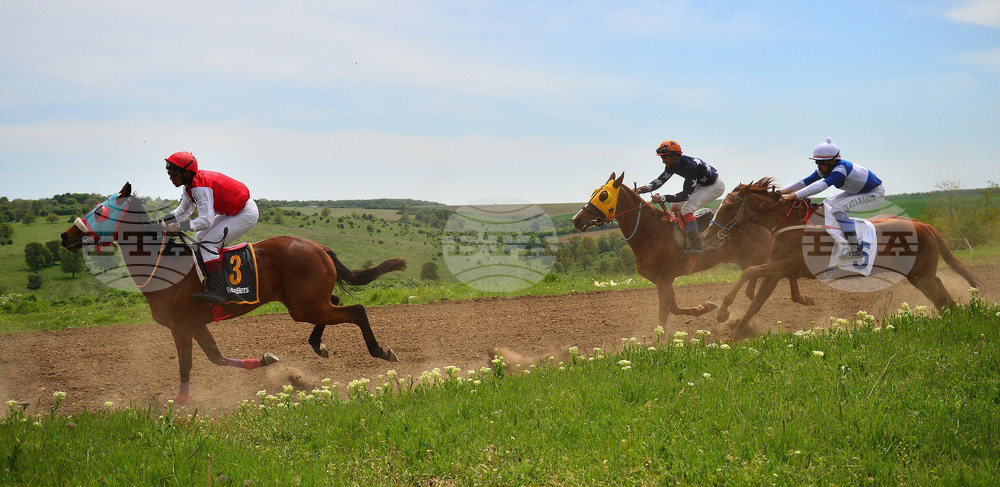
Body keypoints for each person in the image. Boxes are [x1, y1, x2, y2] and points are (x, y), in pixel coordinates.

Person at [160, 151, 259, 304]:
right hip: (233, 211)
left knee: (208, 246)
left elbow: (206, 221)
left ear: (186, 172)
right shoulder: (189, 185)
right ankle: (208, 280)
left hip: (245, 213)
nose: (170, 177)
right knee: (200, 238)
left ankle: (218, 292)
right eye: (169, 173)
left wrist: (179, 227)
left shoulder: (200, 187)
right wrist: (165, 220)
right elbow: (184, 210)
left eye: (173, 173)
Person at [778, 137, 884, 259]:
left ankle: (855, 248)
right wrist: (781, 192)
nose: (819, 165)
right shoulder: (824, 169)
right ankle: (835, 240)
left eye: (822, 162)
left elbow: (821, 187)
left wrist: (793, 196)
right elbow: (802, 182)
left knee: (838, 209)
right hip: (855, 191)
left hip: (874, 194)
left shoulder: (841, 169)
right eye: (816, 162)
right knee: (825, 206)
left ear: (832, 161)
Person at [636, 140, 725, 253]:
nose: (663, 161)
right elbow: (659, 181)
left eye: (665, 157)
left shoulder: (690, 167)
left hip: (715, 186)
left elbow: (686, 195)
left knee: (686, 209)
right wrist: (639, 190)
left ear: (674, 156)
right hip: (701, 184)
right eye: (661, 158)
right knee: (675, 204)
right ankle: (685, 232)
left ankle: (697, 245)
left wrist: (662, 198)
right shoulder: (672, 164)